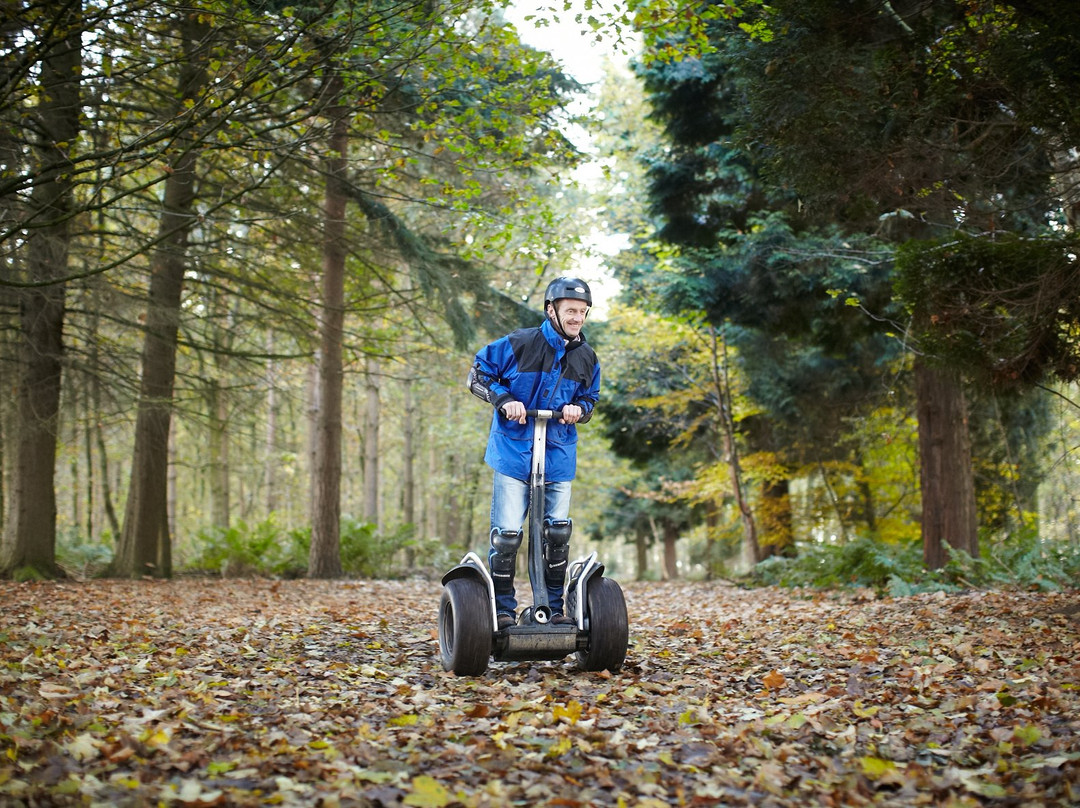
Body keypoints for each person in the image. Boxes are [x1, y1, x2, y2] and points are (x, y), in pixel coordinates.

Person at [467, 277, 601, 631]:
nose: (577, 318)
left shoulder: (587, 357)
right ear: (551, 310)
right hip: (513, 450)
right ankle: (503, 611)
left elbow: (591, 399)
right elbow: (477, 374)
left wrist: (579, 409)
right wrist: (505, 399)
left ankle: (553, 608)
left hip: (557, 453)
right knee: (508, 536)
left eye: (583, 312)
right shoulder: (519, 343)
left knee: (557, 534)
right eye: (571, 310)